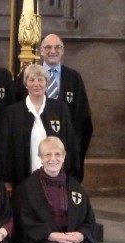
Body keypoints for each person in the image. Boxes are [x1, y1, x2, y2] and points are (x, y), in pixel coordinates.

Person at [15, 136, 115, 243]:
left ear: (64, 156)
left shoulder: (75, 187)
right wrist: (53, 235)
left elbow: (88, 219)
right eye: (47, 154)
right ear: (40, 157)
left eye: (57, 154)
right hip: (45, 242)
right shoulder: (27, 187)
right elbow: (25, 221)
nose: (53, 158)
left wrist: (81, 234)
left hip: (73, 239)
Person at [16, 34, 93, 182]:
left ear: (63, 50)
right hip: (30, 150)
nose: (53, 51)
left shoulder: (73, 78)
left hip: (63, 150)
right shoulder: (25, 77)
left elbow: (83, 118)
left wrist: (74, 148)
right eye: (48, 47)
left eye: (57, 47)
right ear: (41, 51)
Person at [0, 64, 79, 192]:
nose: (36, 84)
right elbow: (5, 148)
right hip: (23, 175)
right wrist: (6, 179)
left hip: (55, 176)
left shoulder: (60, 109)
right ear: (25, 84)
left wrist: (72, 174)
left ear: (47, 83)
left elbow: (70, 142)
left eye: (41, 80)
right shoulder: (12, 113)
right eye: (31, 80)